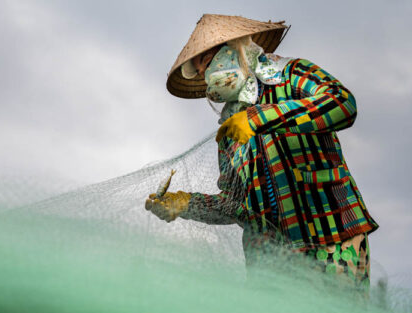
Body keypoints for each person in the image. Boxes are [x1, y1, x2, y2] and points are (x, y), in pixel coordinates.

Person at [145, 14, 378, 291]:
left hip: (330, 237)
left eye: (208, 61)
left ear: (236, 46)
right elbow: (236, 205)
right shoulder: (230, 129)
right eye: (201, 71)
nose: (207, 74)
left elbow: (342, 104)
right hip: (269, 266)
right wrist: (185, 204)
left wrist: (259, 118)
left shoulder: (292, 74)